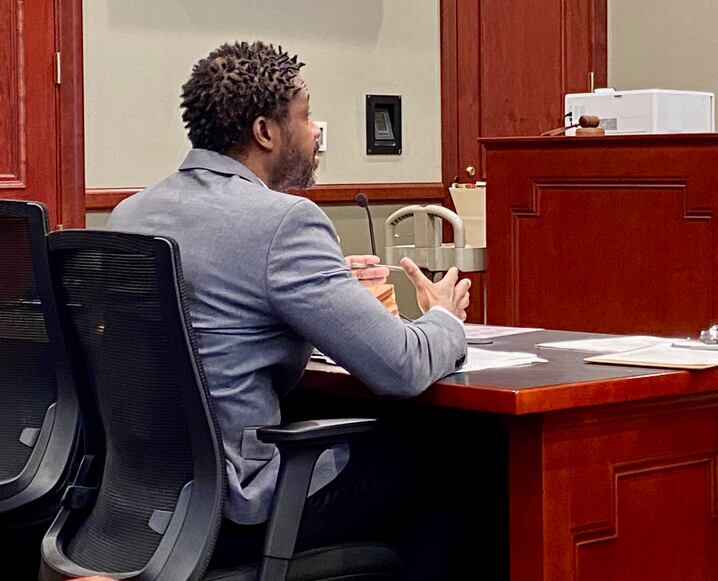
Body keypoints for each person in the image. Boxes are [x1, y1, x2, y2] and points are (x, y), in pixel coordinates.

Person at [107, 41, 472, 573]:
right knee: (461, 460)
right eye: (304, 116)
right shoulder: (283, 223)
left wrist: (328, 289)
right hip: (241, 506)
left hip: (148, 502)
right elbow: (402, 365)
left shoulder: (130, 215)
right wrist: (444, 318)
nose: (314, 132)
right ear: (265, 132)